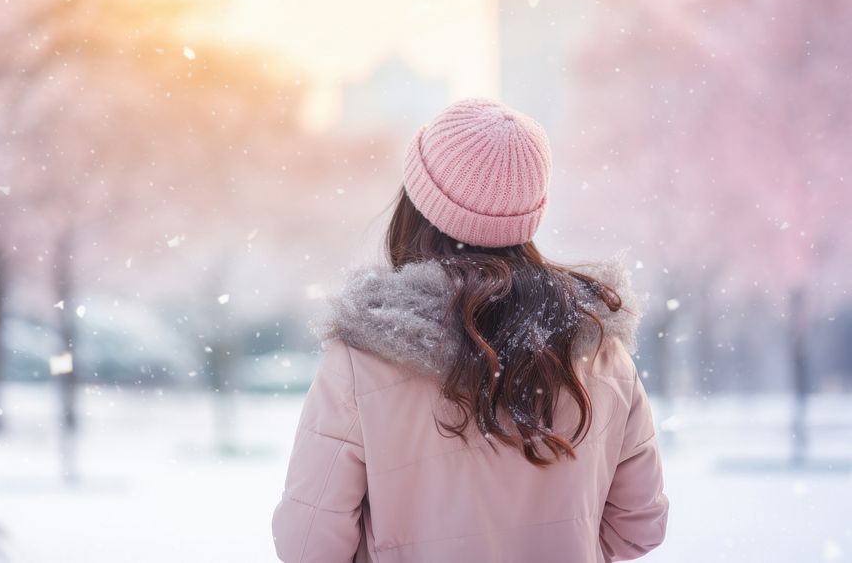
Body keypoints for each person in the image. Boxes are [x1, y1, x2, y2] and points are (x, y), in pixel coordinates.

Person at [271, 98, 669, 562]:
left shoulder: (364, 356)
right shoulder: (596, 346)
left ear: (415, 206)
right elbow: (639, 525)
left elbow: (307, 546)